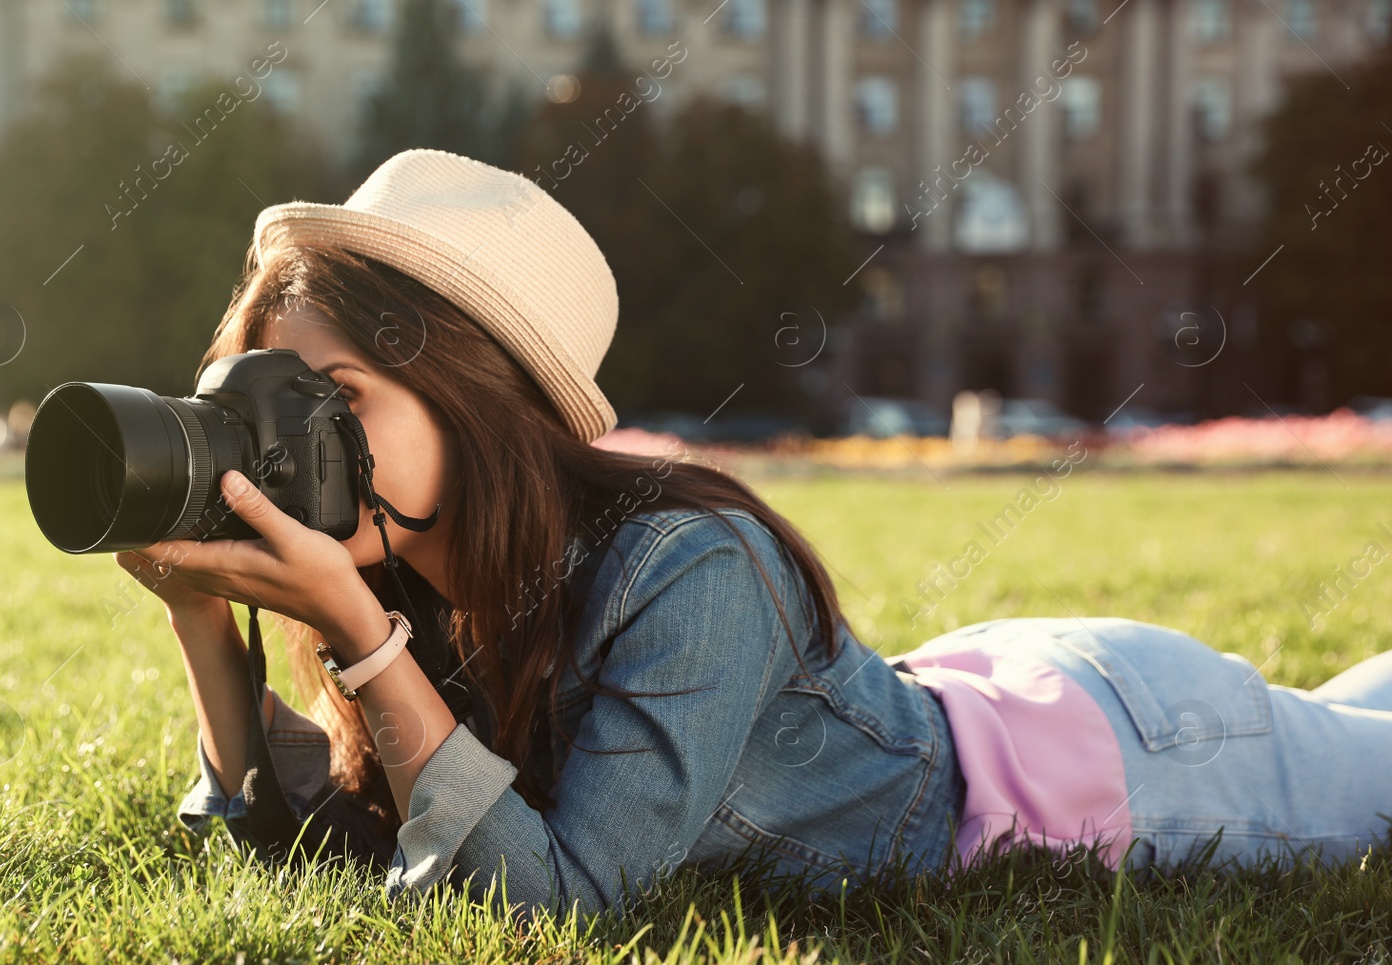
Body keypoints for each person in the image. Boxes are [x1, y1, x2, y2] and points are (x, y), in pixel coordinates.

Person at [117, 149, 1392, 923]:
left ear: (480, 403)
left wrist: (352, 630)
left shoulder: (686, 569)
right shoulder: (432, 579)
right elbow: (321, 833)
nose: (302, 449)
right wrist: (202, 623)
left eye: (339, 403)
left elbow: (553, 902)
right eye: (278, 403)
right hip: (991, 684)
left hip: (1123, 761)